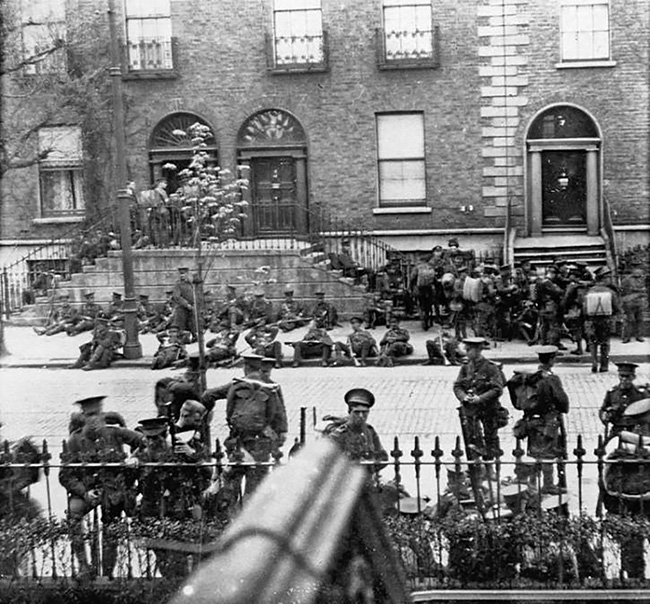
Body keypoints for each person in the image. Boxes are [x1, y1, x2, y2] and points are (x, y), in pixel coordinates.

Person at [59, 396, 143, 578]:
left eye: (97, 414)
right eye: (89, 415)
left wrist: (134, 457)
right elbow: (65, 475)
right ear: (83, 416)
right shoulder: (75, 440)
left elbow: (145, 442)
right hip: (86, 491)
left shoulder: (115, 433)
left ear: (103, 414)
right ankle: (83, 566)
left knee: (111, 525)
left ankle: (107, 572)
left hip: (113, 489)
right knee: (73, 514)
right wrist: (84, 491)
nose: (94, 419)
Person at [224, 353, 287, 497]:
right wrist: (281, 432)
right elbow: (278, 411)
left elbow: (228, 408)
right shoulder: (271, 386)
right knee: (257, 478)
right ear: (260, 368)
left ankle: (230, 510)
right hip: (261, 438)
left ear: (245, 367)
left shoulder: (236, 385)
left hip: (237, 438)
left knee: (234, 474)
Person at [509, 345, 569, 494]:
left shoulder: (530, 377)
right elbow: (562, 402)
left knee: (534, 452)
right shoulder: (551, 378)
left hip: (531, 421)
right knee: (548, 453)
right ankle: (548, 484)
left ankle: (532, 483)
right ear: (552, 359)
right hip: (548, 421)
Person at [453, 337, 505, 469]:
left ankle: (490, 468)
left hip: (488, 409)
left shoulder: (491, 367)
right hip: (471, 410)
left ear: (477, 351)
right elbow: (457, 385)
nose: (466, 352)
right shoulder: (466, 367)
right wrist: (464, 397)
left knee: (490, 438)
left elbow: (497, 389)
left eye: (469, 350)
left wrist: (480, 398)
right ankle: (476, 469)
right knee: (473, 439)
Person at [324, 388, 388, 481]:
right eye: (357, 412)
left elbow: (383, 457)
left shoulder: (369, 431)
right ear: (349, 412)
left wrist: (370, 467)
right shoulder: (339, 435)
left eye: (365, 412)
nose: (361, 416)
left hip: (367, 481)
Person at [583, 266, 620, 373]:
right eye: (608, 277)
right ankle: (604, 365)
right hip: (606, 320)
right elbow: (616, 307)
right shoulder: (610, 292)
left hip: (591, 320)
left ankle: (594, 362)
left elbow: (585, 308)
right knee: (605, 343)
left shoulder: (590, 291)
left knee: (593, 342)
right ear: (604, 278)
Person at [599, 362, 650, 438]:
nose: (624, 379)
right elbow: (603, 409)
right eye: (621, 376)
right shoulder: (612, 392)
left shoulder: (641, 394)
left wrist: (640, 422)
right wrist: (604, 416)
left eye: (627, 376)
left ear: (633, 377)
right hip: (617, 430)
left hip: (635, 431)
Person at [620, 265, 647, 343]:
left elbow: (644, 289)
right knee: (630, 320)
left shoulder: (642, 279)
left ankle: (639, 336)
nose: (640, 273)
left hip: (639, 301)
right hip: (629, 302)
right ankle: (626, 337)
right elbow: (623, 290)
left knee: (639, 319)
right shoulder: (626, 280)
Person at [410, 254, 437, 331]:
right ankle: (429, 317)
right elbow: (434, 280)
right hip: (429, 289)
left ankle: (423, 319)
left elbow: (412, 279)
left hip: (420, 289)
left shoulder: (417, 268)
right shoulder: (430, 267)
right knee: (429, 305)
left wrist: (411, 288)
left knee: (421, 304)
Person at [172, 266, 197, 341]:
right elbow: (177, 297)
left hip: (191, 307)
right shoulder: (178, 284)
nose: (182, 275)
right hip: (182, 308)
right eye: (181, 274)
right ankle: (180, 339)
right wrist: (186, 304)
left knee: (192, 323)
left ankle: (194, 336)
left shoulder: (191, 283)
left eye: (184, 274)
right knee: (181, 324)